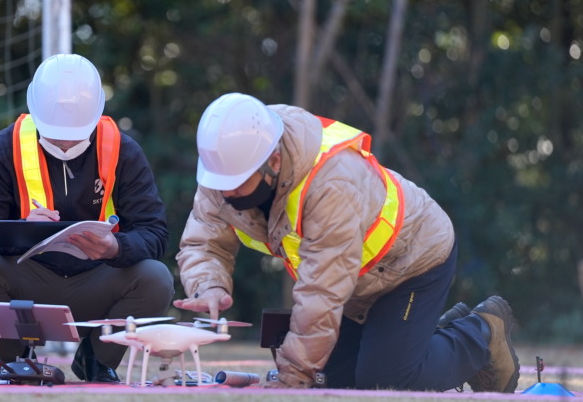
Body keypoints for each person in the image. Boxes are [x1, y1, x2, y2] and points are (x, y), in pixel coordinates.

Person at [174, 92, 520, 392]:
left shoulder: (331, 182)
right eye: (219, 181)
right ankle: (426, 335)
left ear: (273, 161)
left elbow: (322, 290)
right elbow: (203, 240)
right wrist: (208, 285)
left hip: (411, 261)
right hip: (355, 281)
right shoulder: (226, 166)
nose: (225, 192)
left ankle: (481, 333)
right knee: (333, 381)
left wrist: (292, 377)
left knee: (385, 382)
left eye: (236, 182)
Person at [0, 54, 174, 382]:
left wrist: (116, 247)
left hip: (99, 282)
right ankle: (16, 360)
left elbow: (155, 232)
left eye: (76, 133)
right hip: (29, 282)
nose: (66, 141)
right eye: (56, 133)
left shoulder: (123, 151)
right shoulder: (5, 147)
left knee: (157, 278)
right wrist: (21, 232)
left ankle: (98, 360)